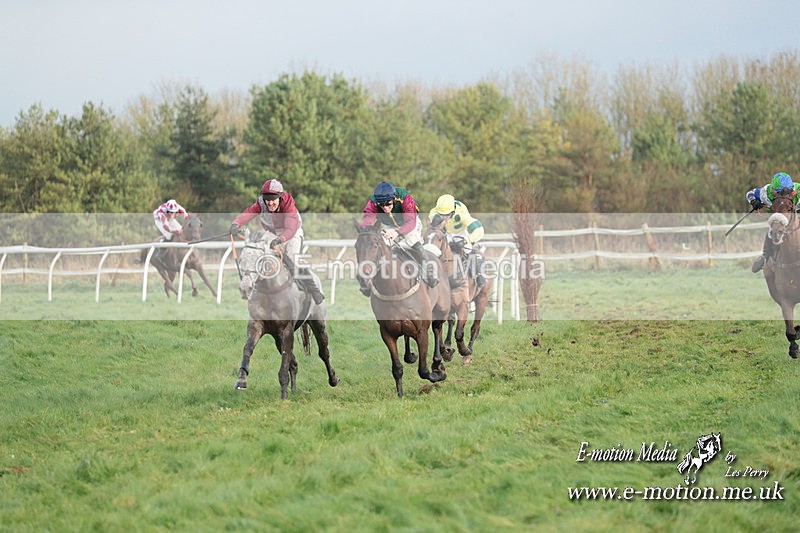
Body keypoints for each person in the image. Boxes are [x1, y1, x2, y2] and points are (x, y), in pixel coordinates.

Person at [229, 178, 325, 304]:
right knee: (258, 256)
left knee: (292, 259)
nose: (269, 203)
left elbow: (290, 229)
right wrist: (236, 224)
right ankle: (255, 289)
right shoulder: (261, 203)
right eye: (267, 199)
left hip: (292, 233)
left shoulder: (288, 204)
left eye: (273, 199)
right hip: (272, 234)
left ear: (280, 198)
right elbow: (249, 213)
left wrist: (280, 240)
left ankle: (314, 290)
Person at [359, 181, 438, 295]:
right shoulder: (373, 201)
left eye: (388, 204)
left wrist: (397, 232)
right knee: (379, 248)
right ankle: (370, 281)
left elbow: (411, 221)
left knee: (414, 244)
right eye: (382, 205)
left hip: (410, 222)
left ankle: (430, 273)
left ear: (394, 199)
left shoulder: (404, 197)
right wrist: (366, 230)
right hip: (388, 225)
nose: (385, 208)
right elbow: (368, 218)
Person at [746, 171, 800, 273]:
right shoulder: (765, 192)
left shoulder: (799, 190)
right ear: (773, 190)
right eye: (780, 193)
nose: (784, 195)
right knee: (772, 231)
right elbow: (750, 194)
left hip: (796, 217)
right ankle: (765, 256)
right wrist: (754, 201)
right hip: (777, 219)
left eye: (788, 192)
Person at [428, 194, 487, 287]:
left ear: (453, 211)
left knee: (467, 248)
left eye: (447, 215)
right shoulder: (434, 212)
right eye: (441, 215)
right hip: (446, 233)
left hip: (461, 233)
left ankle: (479, 274)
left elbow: (479, 230)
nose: (444, 217)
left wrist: (467, 240)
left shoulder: (462, 213)